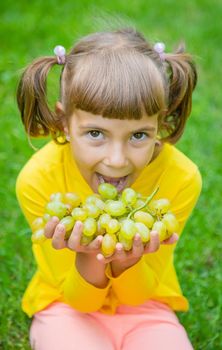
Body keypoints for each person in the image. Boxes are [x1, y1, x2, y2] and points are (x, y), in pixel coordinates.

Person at [16, 27, 202, 350]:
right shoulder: (39, 180)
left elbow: (138, 294)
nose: (117, 160)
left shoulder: (181, 178)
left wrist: (127, 262)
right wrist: (89, 259)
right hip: (66, 306)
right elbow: (79, 301)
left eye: (139, 135)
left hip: (147, 307)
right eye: (96, 134)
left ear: (161, 124)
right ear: (64, 124)